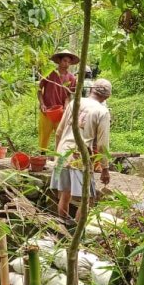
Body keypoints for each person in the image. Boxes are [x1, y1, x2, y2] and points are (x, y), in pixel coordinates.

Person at [51, 79, 113, 221]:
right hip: (79, 157)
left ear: (91, 89)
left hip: (62, 153)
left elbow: (58, 132)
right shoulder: (102, 111)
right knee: (87, 199)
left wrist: (57, 155)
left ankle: (62, 227)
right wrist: (105, 168)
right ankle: (77, 231)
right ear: (107, 96)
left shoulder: (74, 103)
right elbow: (102, 144)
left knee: (65, 194)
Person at [38, 49, 79, 153]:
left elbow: (69, 95)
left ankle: (58, 157)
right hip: (46, 110)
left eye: (69, 62)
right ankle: (42, 156)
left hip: (60, 112)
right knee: (44, 136)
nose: (66, 64)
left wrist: (66, 106)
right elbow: (39, 90)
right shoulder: (50, 73)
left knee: (60, 135)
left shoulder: (71, 78)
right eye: (64, 61)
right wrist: (42, 104)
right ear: (59, 61)